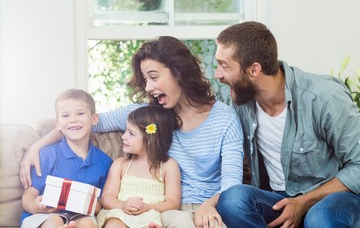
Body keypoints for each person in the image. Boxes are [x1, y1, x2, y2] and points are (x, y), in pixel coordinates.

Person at [20, 36, 244, 228]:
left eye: (154, 77)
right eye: (145, 79)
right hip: (162, 212)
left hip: (208, 207)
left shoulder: (224, 118)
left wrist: (209, 205)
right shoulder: (145, 115)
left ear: (179, 72)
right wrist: (37, 145)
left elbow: (232, 184)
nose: (147, 87)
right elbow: (84, 123)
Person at [214, 21, 360, 228]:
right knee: (233, 200)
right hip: (279, 198)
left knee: (319, 218)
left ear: (254, 69)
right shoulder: (242, 102)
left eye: (224, 66)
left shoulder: (325, 97)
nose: (217, 75)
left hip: (334, 197)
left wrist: (303, 202)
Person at [20, 89, 113, 228]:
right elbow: (29, 194)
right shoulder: (48, 155)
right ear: (57, 124)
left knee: (88, 223)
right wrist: (35, 206)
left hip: (82, 216)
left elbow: (102, 203)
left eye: (80, 113)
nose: (73, 120)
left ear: (94, 118)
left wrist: (90, 205)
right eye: (65, 115)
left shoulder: (104, 162)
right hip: (46, 215)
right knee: (55, 222)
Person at [97, 105, 181, 228]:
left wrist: (148, 208)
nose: (123, 136)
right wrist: (123, 205)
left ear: (150, 139)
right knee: (114, 225)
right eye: (126, 131)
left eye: (131, 133)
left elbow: (173, 202)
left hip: (149, 216)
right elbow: (106, 197)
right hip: (120, 214)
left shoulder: (169, 166)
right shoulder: (121, 164)